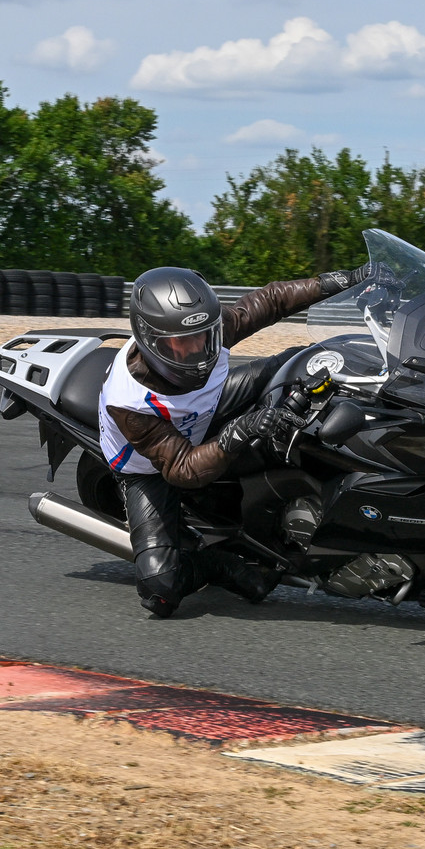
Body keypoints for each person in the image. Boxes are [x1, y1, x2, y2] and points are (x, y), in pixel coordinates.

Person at [99, 263, 379, 617]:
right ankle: (222, 565)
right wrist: (239, 432)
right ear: (151, 341)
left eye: (203, 335)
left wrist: (338, 281)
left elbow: (272, 300)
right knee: (160, 588)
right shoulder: (129, 402)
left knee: (302, 362)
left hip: (206, 409)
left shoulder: (208, 331)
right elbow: (181, 470)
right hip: (151, 468)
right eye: (181, 343)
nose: (198, 348)